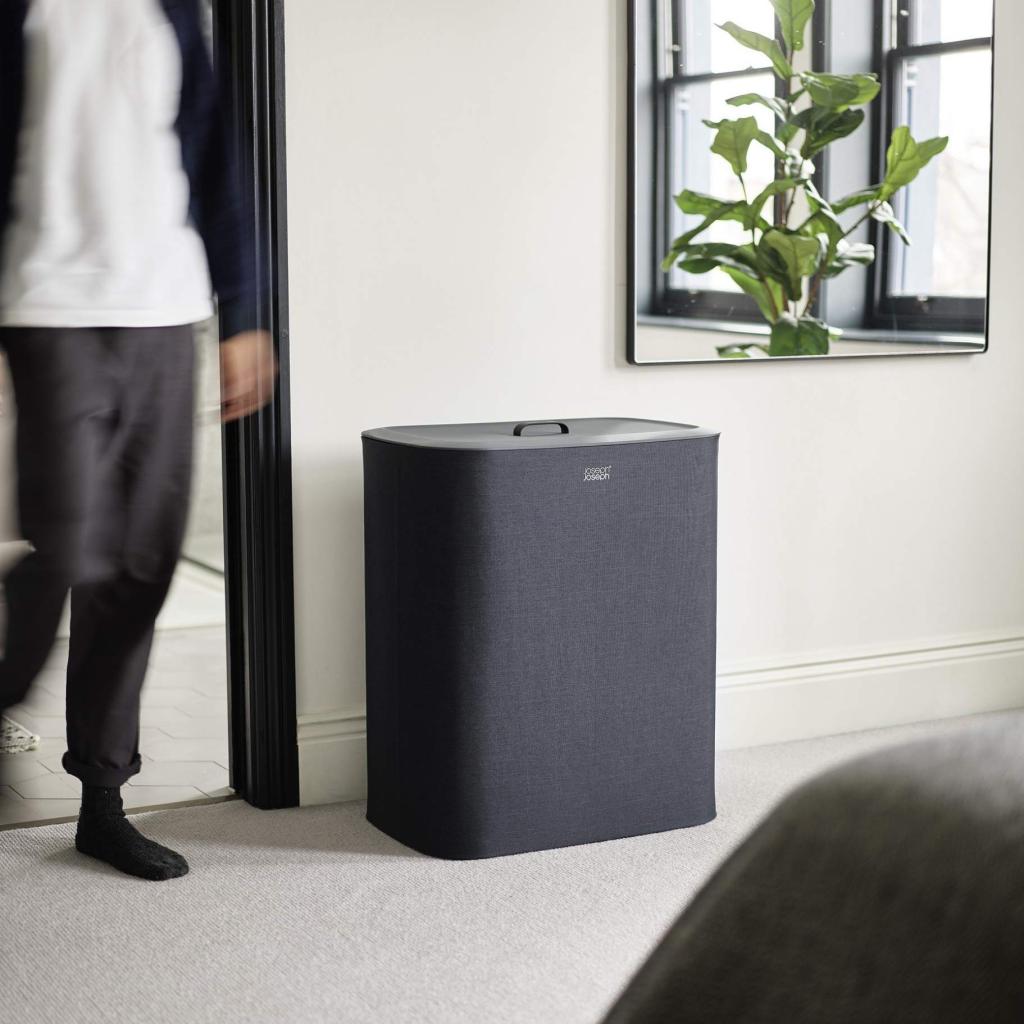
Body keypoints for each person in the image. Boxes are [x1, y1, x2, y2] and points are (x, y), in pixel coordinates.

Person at [0, 0, 277, 880]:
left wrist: (244, 312)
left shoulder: (172, 9)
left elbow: (214, 154)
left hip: (165, 307)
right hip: (46, 304)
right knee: (67, 542)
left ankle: (102, 801)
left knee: (140, 564)